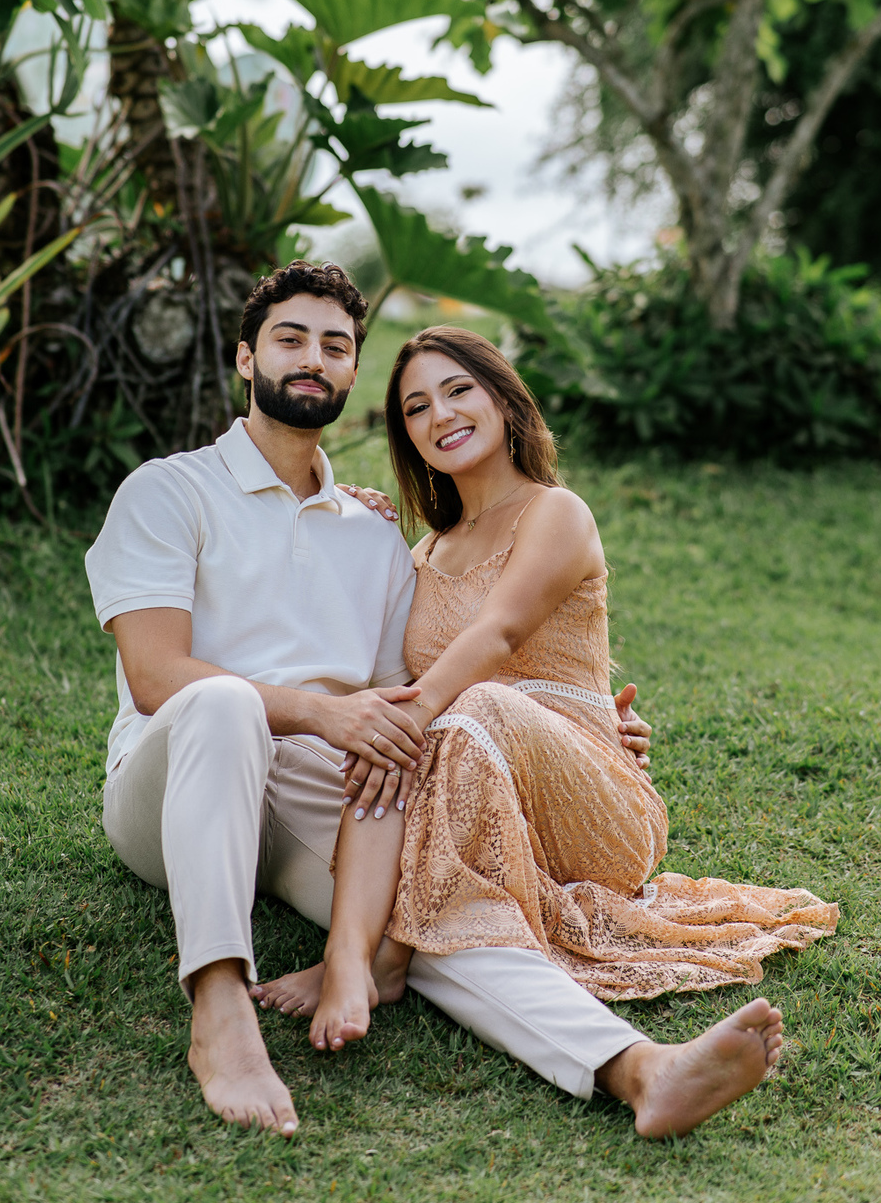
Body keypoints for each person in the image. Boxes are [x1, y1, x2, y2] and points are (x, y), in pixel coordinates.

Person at [85, 262, 827, 1142]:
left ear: (352, 371)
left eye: (335, 346)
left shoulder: (376, 538)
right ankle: (220, 1012)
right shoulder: (169, 490)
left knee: (438, 901)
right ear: (247, 359)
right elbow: (157, 677)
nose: (313, 358)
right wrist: (325, 713)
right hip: (178, 785)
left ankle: (636, 1068)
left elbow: (424, 684)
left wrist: (588, 723)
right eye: (290, 339)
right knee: (223, 706)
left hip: (321, 782)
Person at [258, 325, 838, 1094]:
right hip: (483, 789)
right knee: (412, 724)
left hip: (594, 804)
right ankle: (364, 954)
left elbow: (499, 635)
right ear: (407, 435)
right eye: (417, 407)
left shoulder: (556, 512)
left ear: (503, 400)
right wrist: (357, 522)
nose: (440, 415)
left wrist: (414, 716)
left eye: (458, 391)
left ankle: (383, 959)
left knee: (456, 708)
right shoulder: (422, 554)